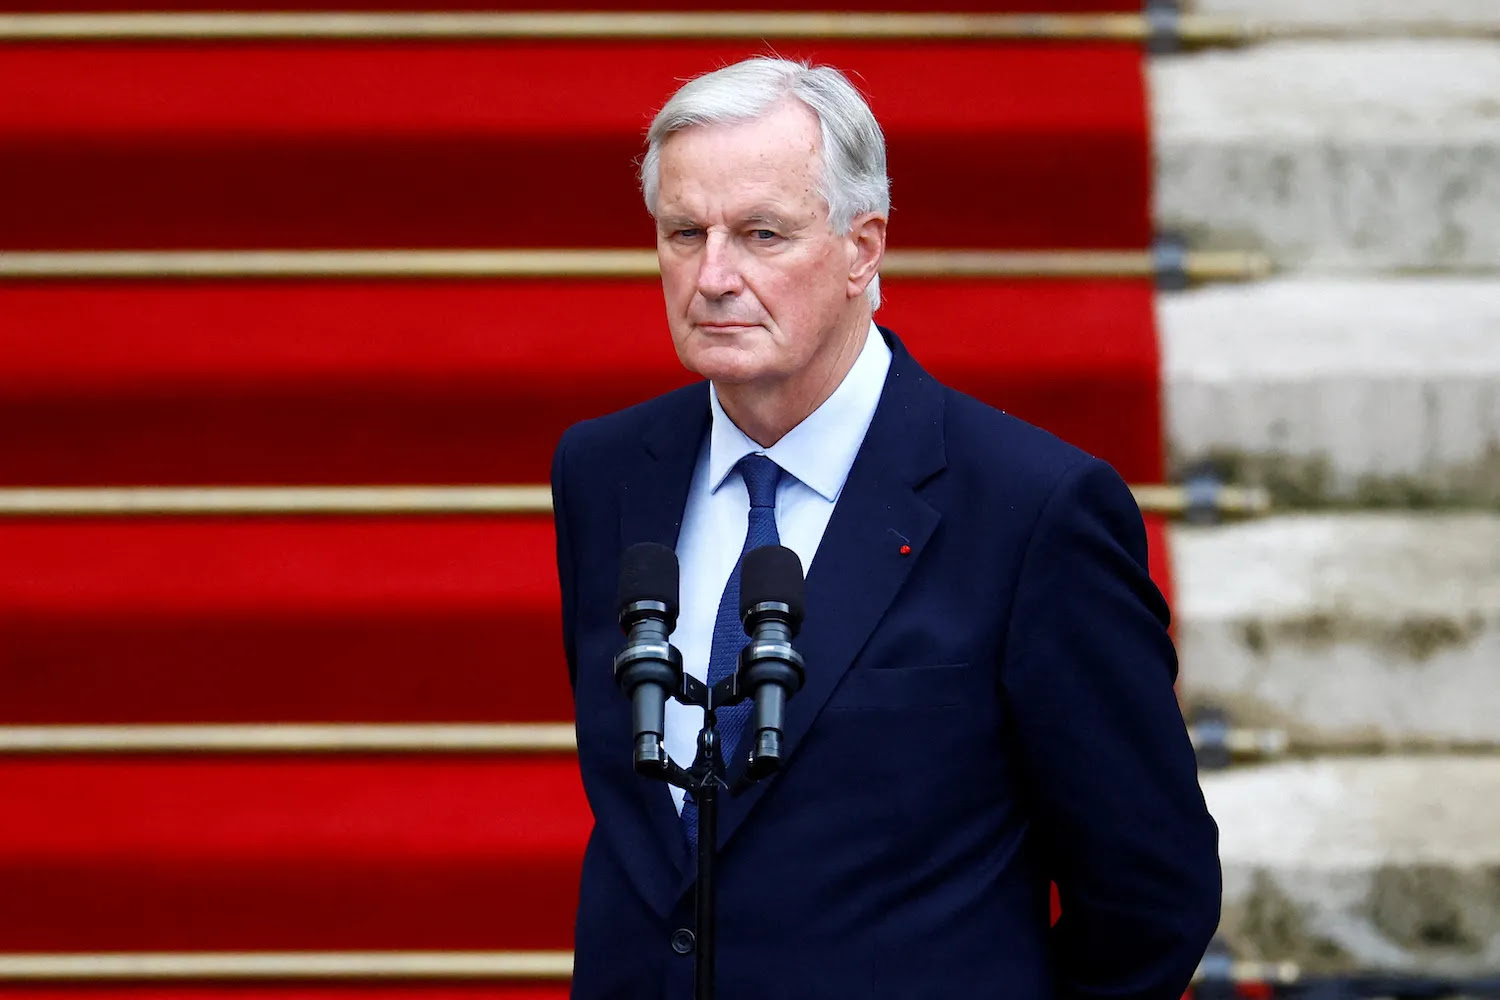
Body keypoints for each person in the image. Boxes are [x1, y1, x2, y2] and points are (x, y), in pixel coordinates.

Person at [551, 56, 1220, 1000]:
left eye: (761, 234)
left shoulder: (1034, 508)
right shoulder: (605, 471)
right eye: (683, 233)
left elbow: (1155, 890)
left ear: (863, 248)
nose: (712, 276)